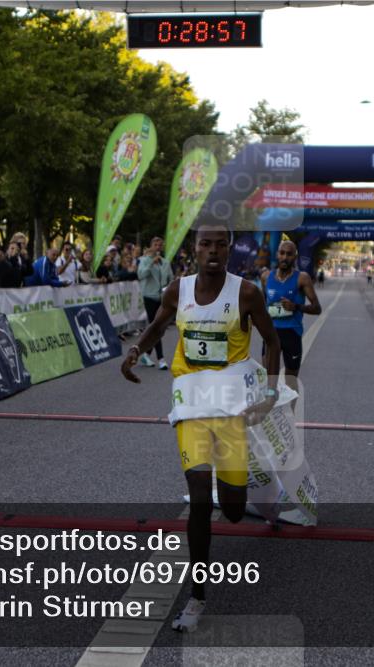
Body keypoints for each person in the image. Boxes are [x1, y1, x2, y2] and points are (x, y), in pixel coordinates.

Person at [121, 224, 281, 633]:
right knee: (198, 499)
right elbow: (159, 324)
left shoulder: (246, 293)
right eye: (205, 244)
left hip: (230, 407)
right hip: (191, 401)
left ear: (230, 250)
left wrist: (270, 393)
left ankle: (245, 487)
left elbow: (272, 343)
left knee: (229, 510)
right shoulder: (179, 289)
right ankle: (197, 597)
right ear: (193, 249)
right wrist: (136, 350)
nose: (212, 251)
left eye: (220, 244)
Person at [260, 240, 322, 401]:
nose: (285, 257)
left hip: (291, 334)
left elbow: (317, 308)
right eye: (282, 253)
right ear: (277, 254)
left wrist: (296, 306)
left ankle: (291, 417)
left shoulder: (302, 278)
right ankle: (270, 416)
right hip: (270, 333)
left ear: (295, 256)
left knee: (290, 382)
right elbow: (262, 304)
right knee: (269, 379)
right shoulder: (266, 277)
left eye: (289, 254)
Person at [137, 237, 174, 369]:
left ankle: (146, 354)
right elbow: (141, 275)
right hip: (149, 297)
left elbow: (171, 279)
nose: (158, 246)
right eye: (155, 244)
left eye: (160, 245)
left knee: (159, 327)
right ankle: (161, 359)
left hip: (162, 298)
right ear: (151, 247)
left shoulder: (165, 263)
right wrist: (151, 263)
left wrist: (169, 289)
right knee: (157, 326)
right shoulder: (144, 261)